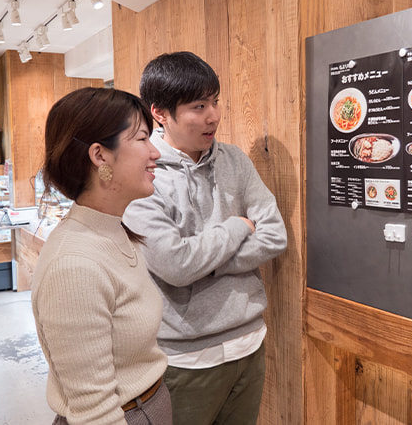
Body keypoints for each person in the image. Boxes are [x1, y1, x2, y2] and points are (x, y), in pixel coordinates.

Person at [123, 51, 288, 425]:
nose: (213, 115)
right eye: (198, 106)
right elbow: (175, 265)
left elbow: (276, 236)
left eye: (215, 102)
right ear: (161, 113)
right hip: (186, 358)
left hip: (250, 342)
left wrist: (203, 262)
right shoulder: (143, 176)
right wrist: (237, 228)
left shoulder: (235, 160)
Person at [31, 87, 172, 425]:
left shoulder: (113, 230)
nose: (155, 153)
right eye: (141, 139)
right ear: (100, 155)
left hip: (147, 405)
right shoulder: (74, 264)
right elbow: (95, 412)